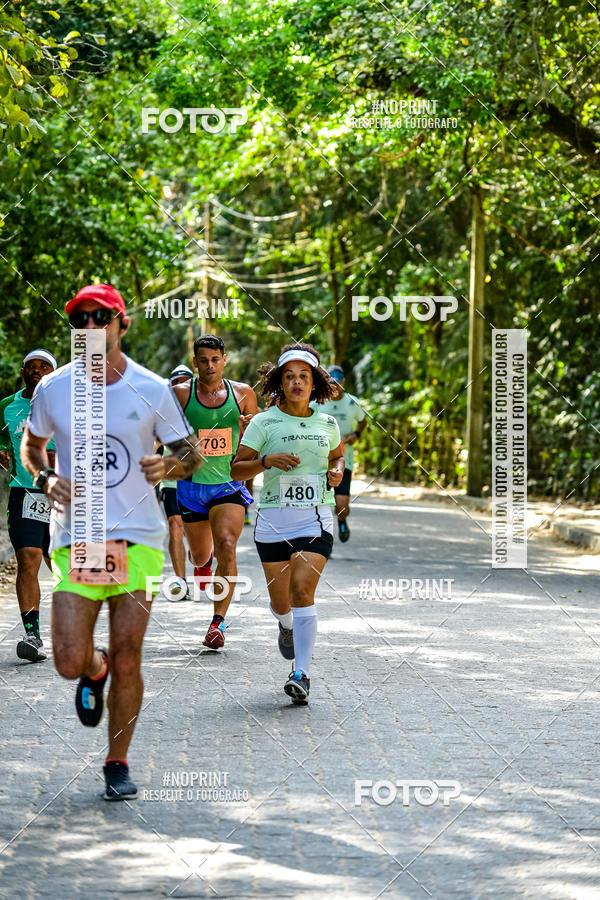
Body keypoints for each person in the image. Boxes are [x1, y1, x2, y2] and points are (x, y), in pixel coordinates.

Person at [21, 283, 202, 801]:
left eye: (101, 318)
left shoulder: (150, 388)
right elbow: (32, 446)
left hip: (139, 538)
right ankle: (91, 671)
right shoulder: (54, 388)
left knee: (129, 655)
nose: (89, 328)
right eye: (80, 320)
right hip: (79, 537)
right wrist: (44, 478)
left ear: (122, 325)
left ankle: (117, 762)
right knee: (67, 658)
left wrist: (170, 464)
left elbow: (190, 451)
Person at [230, 343, 344, 704]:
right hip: (274, 520)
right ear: (281, 382)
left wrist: (337, 473)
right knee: (282, 603)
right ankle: (285, 625)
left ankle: (302, 673)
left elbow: (338, 458)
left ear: (315, 383)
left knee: (301, 593)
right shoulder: (264, 422)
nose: (297, 383)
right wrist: (266, 461)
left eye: (304, 377)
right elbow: (235, 468)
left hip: (316, 517)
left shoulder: (328, 422)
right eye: (290, 376)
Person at [172, 335, 259, 649]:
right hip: (191, 488)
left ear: (225, 359)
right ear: (195, 361)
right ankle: (202, 563)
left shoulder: (244, 394)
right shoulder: (180, 394)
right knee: (199, 555)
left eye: (215, 359)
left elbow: (257, 438)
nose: (209, 365)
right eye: (203, 359)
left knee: (227, 544)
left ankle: (217, 623)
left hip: (227, 485)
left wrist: (249, 428)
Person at [0, 350, 57, 662]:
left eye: (44, 366)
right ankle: (32, 636)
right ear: (22, 372)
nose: (36, 371)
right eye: (31, 367)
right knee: (28, 560)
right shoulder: (7, 407)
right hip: (25, 493)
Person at [310, 364, 366, 542]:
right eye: (331, 383)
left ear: (343, 381)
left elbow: (363, 421)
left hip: (344, 459)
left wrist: (356, 434)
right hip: (318, 461)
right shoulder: (316, 403)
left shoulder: (352, 402)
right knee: (317, 504)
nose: (335, 387)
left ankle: (342, 521)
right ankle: (320, 539)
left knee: (341, 506)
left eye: (337, 383)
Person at [158, 364, 194, 601]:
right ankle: (180, 581)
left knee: (198, 531)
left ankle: (201, 559)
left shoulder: (202, 408)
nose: (181, 386)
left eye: (185, 381)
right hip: (171, 480)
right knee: (175, 525)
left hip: (201, 478)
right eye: (176, 382)